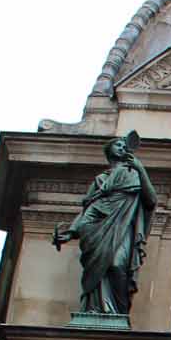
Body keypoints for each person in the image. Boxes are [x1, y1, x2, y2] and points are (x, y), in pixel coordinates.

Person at [53, 132, 156, 318]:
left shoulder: (135, 175)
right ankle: (95, 309)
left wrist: (140, 169)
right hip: (96, 226)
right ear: (109, 152)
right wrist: (71, 232)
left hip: (122, 225)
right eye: (117, 145)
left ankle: (119, 311)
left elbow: (151, 200)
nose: (122, 147)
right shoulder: (101, 179)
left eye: (124, 145)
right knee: (101, 268)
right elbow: (88, 207)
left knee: (117, 264)